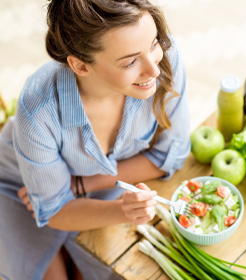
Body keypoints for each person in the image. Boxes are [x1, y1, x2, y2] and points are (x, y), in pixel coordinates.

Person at [0, 0, 190, 279]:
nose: (154, 70)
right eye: (130, 61)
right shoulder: (38, 108)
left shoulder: (164, 60)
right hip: (19, 187)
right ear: (80, 66)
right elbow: (56, 210)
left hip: (97, 186)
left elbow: (168, 156)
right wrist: (122, 210)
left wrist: (81, 184)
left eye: (153, 44)